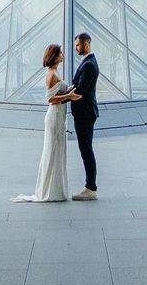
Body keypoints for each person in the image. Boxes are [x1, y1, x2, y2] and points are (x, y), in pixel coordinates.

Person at [12, 44, 80, 203]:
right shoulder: (51, 75)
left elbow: (61, 91)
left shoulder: (55, 72)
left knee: (55, 151)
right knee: (52, 152)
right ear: (54, 56)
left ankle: (54, 190)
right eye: (60, 53)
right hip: (54, 117)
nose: (63, 55)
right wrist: (69, 96)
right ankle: (50, 191)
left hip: (58, 116)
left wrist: (73, 88)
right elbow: (50, 99)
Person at [69, 32, 100, 199]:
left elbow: (80, 90)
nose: (76, 48)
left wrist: (62, 97)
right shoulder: (88, 62)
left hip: (85, 113)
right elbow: (77, 85)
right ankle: (90, 186)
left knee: (86, 149)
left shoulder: (89, 64)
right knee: (86, 148)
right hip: (85, 112)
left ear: (86, 44)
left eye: (78, 45)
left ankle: (91, 188)